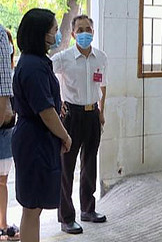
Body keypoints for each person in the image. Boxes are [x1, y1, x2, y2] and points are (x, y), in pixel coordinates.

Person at [11, 8, 72, 242]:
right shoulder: (33, 66)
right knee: (32, 207)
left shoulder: (35, 62)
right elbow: (46, 112)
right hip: (34, 141)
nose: (57, 34)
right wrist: (65, 135)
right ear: (41, 34)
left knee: (32, 207)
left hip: (35, 138)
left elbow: (46, 103)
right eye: (54, 30)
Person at [51, 15, 108, 235]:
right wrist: (57, 104)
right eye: (80, 30)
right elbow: (47, 77)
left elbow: (103, 86)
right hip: (71, 116)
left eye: (88, 29)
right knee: (66, 167)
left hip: (93, 114)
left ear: (93, 32)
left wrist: (102, 112)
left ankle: (88, 209)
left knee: (90, 163)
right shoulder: (62, 58)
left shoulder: (100, 57)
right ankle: (66, 218)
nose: (85, 33)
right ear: (73, 34)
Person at [0, 29, 19, 241]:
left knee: (3, 181)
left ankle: (3, 224)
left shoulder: (13, 73)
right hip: (4, 127)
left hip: (7, 130)